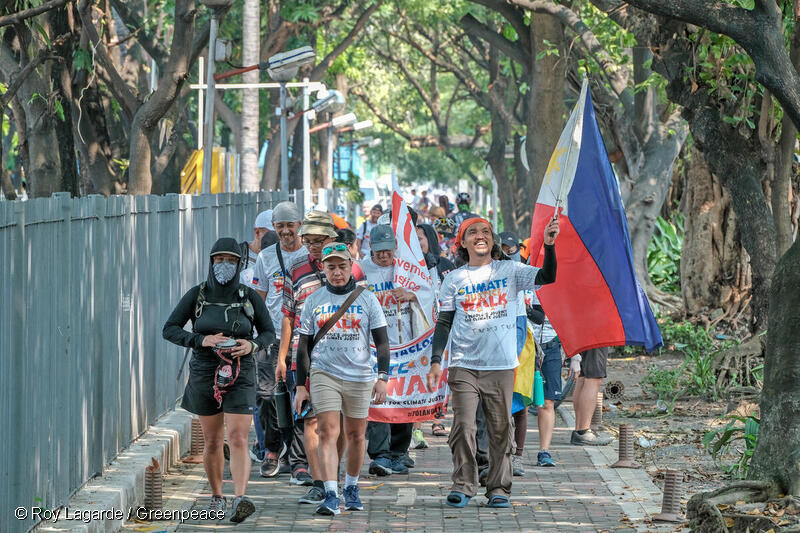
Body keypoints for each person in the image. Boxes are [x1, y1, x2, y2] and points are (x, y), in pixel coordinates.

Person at [426, 216, 559, 509]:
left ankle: (499, 487)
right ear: (462, 242)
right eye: (472, 233)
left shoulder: (510, 270)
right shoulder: (454, 279)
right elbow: (444, 322)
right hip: (463, 365)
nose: (480, 236)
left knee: (501, 428)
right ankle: (463, 484)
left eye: (485, 231)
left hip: (500, 366)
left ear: (492, 239)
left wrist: (549, 246)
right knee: (463, 426)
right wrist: (436, 361)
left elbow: (547, 277)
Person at [162, 238, 275, 523]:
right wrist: (201, 339)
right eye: (219, 259)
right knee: (212, 439)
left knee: (237, 436)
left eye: (231, 260)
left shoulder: (249, 296)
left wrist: (251, 346)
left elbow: (268, 333)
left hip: (241, 371)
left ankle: (240, 497)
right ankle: (216, 496)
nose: (224, 265)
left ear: (239, 264)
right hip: (205, 371)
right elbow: (170, 329)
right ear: (211, 262)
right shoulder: (197, 294)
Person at [276, 210, 365, 505]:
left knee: (336, 425)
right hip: (306, 357)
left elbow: (367, 316)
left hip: (348, 357)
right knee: (311, 422)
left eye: (319, 240)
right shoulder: (296, 268)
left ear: (332, 238)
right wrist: (282, 357)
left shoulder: (354, 269)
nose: (313, 247)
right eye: (308, 241)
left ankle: (333, 478)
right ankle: (319, 482)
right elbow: (288, 316)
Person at [294, 243, 390, 515]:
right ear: (323, 269)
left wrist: (382, 377)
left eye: (342, 266)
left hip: (360, 375)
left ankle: (351, 486)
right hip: (325, 373)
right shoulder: (314, 300)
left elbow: (382, 342)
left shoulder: (367, 298)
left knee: (356, 435)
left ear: (351, 267)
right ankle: (331, 494)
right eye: (331, 267)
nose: (337, 272)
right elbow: (304, 346)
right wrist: (301, 385)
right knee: (327, 432)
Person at [251, 202, 307, 478]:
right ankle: (271, 450)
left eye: (290, 225)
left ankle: (298, 459)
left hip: (304, 340)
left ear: (300, 225)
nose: (285, 231)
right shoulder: (265, 257)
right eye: (279, 226)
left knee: (299, 396)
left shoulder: (310, 255)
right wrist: (255, 334)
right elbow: (259, 297)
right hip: (271, 337)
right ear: (273, 227)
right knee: (266, 395)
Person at [361, 225, 421, 475]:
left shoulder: (407, 269)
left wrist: (410, 295)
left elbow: (429, 296)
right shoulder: (362, 269)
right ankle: (380, 454)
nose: (384, 256)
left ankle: (399, 451)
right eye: (378, 252)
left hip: (405, 344)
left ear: (395, 247)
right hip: (374, 345)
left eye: (388, 251)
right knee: (379, 400)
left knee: (403, 399)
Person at [526, 291, 563, 466]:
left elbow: (569, 318)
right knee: (520, 401)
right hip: (525, 344)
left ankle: (544, 451)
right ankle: (514, 451)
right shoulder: (521, 276)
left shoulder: (561, 283)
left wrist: (576, 357)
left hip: (552, 345)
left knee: (548, 402)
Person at [570, 347, 614, 445]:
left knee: (583, 376)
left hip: (585, 333)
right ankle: (583, 431)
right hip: (596, 334)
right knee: (594, 377)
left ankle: (579, 430)